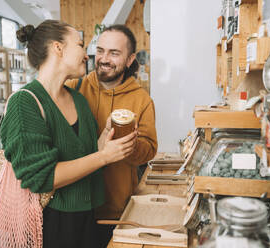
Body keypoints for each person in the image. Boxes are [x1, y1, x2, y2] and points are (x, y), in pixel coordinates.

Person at [0, 20, 137, 248]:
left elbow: (88, 157)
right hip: (49, 225)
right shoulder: (24, 103)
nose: (87, 55)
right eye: (81, 45)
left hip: (89, 220)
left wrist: (106, 139)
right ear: (58, 48)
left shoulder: (78, 100)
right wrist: (103, 156)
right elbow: (41, 178)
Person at [65, 24, 158, 246]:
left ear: (129, 59)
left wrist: (129, 145)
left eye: (114, 53)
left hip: (114, 212)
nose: (104, 59)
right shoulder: (73, 88)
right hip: (72, 207)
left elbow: (149, 150)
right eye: (100, 51)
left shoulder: (142, 99)